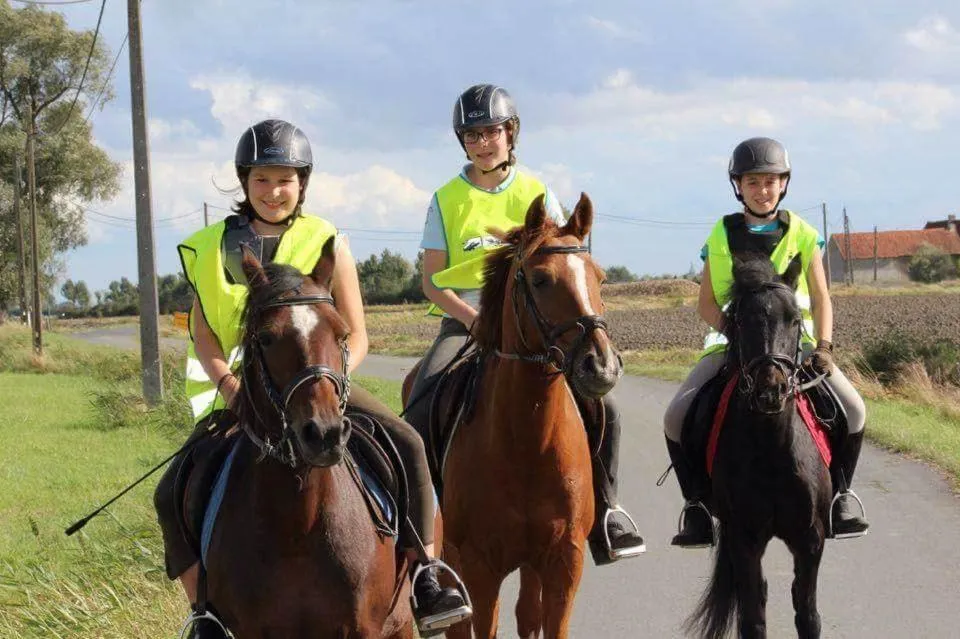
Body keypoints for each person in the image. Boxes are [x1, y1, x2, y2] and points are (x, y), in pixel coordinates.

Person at [153, 119, 470, 638]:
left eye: (285, 180)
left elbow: (357, 333)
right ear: (244, 181)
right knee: (171, 491)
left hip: (320, 387)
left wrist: (333, 385)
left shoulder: (327, 240)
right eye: (261, 180)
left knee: (410, 443)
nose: (273, 191)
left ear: (302, 183)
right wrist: (228, 388)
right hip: (245, 391)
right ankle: (204, 612)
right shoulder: (211, 248)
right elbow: (205, 334)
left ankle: (428, 575)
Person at [403, 84, 646, 565]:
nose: (482, 142)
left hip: (538, 321)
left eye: (491, 131)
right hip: (465, 321)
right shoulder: (446, 198)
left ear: (510, 133)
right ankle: (422, 527)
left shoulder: (536, 191)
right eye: (471, 134)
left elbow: (566, 253)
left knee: (607, 408)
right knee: (419, 401)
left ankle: (608, 514)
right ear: (462, 141)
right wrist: (478, 322)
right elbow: (432, 282)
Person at [662, 136, 870, 547]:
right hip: (734, 342)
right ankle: (698, 507)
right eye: (753, 182)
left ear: (784, 184)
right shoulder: (722, 233)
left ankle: (841, 497)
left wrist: (824, 348)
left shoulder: (805, 234)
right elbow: (706, 303)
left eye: (770, 181)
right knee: (675, 416)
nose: (762, 190)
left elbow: (823, 297)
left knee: (855, 409)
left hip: (797, 341)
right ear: (738, 186)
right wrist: (735, 332)